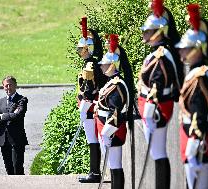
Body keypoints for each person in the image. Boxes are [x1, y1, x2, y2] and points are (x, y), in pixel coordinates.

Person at [137, 0, 183, 188]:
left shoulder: (161, 55)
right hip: (152, 107)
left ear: (158, 33)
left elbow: (158, 82)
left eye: (148, 32)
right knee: (156, 154)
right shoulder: (156, 53)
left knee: (159, 154)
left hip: (156, 108)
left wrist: (151, 104)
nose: (145, 35)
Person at [175, 4, 208, 189]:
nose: (181, 52)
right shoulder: (198, 74)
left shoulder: (200, 78)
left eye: (186, 48)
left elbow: (200, 110)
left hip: (198, 141)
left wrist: (195, 139)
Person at [95, 34, 134, 189]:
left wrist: (106, 132)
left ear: (112, 66)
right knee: (112, 166)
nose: (102, 67)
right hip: (107, 129)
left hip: (112, 131)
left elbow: (115, 112)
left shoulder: (117, 85)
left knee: (115, 166)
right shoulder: (112, 82)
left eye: (104, 65)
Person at [76, 16, 108, 183]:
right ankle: (95, 172)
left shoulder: (90, 65)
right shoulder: (92, 63)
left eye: (80, 48)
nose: (78, 51)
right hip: (90, 107)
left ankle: (95, 172)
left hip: (89, 108)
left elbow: (89, 90)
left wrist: (83, 108)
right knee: (93, 140)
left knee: (93, 140)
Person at [0, 76, 28, 175]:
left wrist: (3, 116)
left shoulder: (22, 99)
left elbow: (18, 115)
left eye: (10, 85)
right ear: (3, 87)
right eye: (6, 85)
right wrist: (11, 115)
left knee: (18, 168)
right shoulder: (0, 102)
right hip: (3, 140)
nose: (8, 87)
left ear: (15, 85)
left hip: (17, 140)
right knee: (9, 169)